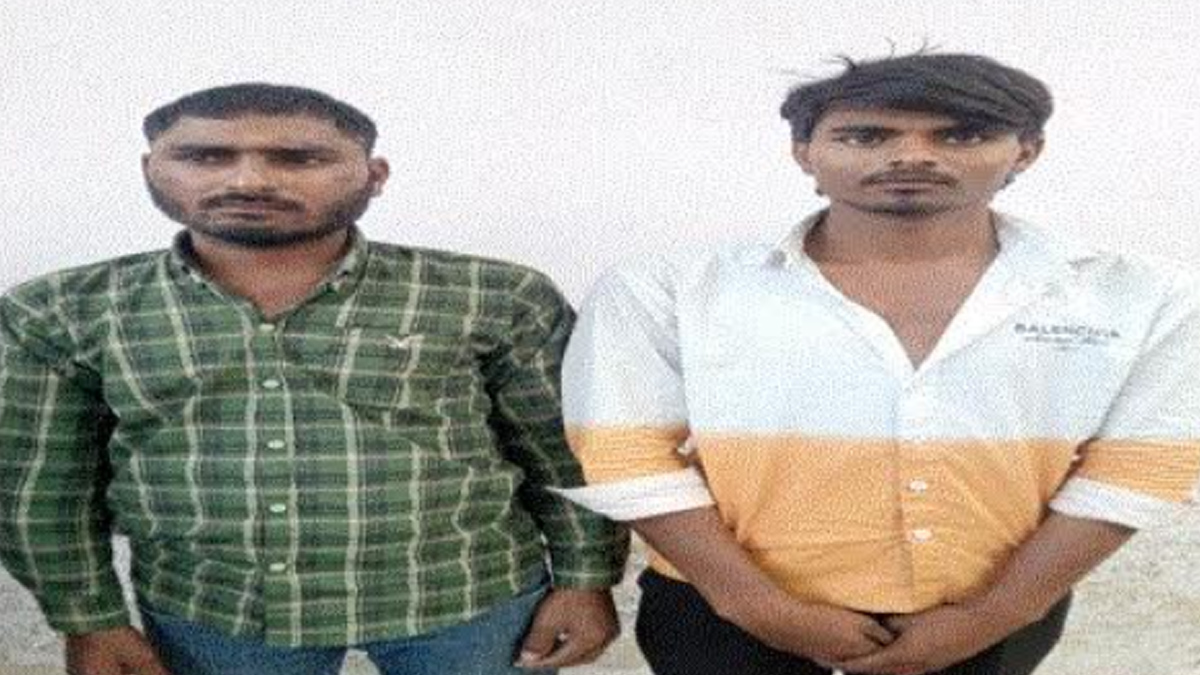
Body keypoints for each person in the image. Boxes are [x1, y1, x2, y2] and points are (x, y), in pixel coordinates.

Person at [556, 52, 1200, 675]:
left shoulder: (1143, 296)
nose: (912, 156)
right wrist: (755, 604)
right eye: (865, 136)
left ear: (1027, 150)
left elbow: (1141, 463)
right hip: (720, 613)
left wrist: (998, 612)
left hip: (996, 615)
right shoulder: (667, 289)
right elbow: (626, 452)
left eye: (961, 135)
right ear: (804, 152)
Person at [0, 83, 627, 675]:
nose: (248, 179)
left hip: (468, 595)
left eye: (299, 158)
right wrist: (89, 619)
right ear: (150, 169)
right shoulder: (61, 311)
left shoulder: (492, 294)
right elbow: (41, 484)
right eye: (205, 156)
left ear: (374, 176)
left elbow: (561, 451)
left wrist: (586, 578)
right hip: (215, 609)